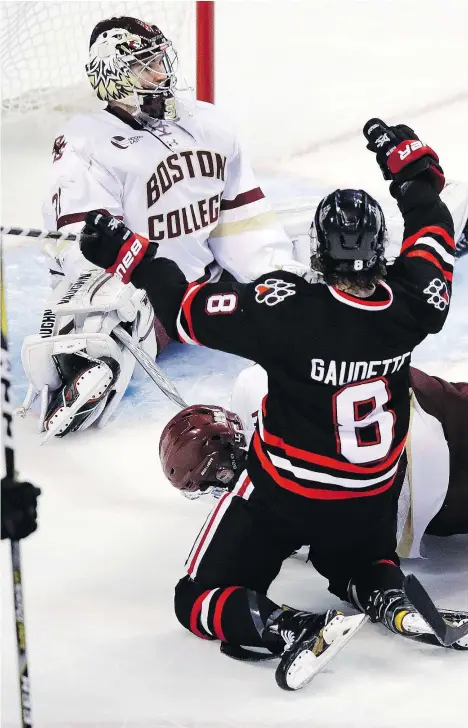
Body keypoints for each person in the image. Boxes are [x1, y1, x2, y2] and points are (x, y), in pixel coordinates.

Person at [79, 119, 468, 689]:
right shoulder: (415, 304)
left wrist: (127, 252)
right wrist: (410, 167)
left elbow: (183, 308)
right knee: (357, 547)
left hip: (290, 496)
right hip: (372, 494)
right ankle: (378, 584)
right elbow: (433, 226)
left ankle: (289, 627)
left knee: (196, 599)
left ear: (319, 251)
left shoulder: (285, 311)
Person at [20, 15, 295, 439]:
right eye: (145, 65)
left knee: (297, 266)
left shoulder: (209, 124)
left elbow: (243, 220)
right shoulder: (84, 141)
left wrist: (275, 277)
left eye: (161, 60)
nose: (161, 74)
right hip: (141, 296)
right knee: (106, 313)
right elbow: (81, 247)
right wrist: (119, 266)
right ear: (114, 76)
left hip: (202, 288)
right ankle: (85, 366)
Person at [159, 363, 468, 559]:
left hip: (419, 488)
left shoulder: (266, 493)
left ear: (224, 473)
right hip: (421, 402)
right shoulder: (250, 381)